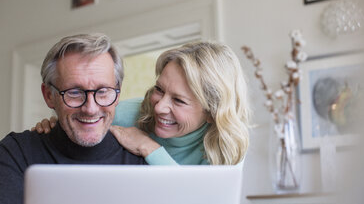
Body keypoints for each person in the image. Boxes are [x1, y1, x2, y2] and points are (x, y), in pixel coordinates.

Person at [0, 33, 146, 204]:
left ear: (117, 94)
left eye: (102, 91)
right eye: (75, 92)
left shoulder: (141, 159)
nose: (91, 109)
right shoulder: (16, 153)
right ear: (49, 96)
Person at [34, 41, 251, 165]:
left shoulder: (228, 144)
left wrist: (150, 148)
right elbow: (79, 122)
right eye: (159, 89)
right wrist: (54, 126)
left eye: (178, 100)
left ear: (212, 112)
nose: (159, 107)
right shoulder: (126, 115)